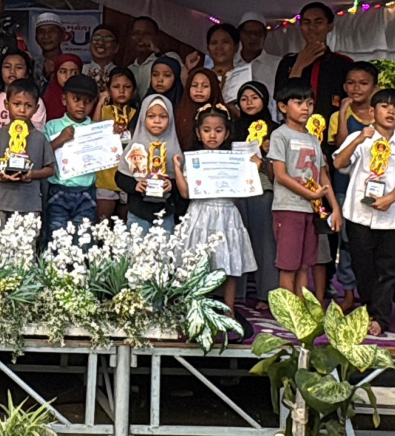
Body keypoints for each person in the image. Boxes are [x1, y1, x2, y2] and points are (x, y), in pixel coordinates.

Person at [333, 88, 395, 336]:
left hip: (389, 218)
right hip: (359, 213)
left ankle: (381, 318)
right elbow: (339, 163)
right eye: (385, 106)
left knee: (388, 269)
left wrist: (391, 197)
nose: (391, 112)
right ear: (372, 111)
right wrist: (358, 140)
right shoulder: (361, 138)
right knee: (363, 267)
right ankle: (368, 309)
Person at [172, 104, 257, 316]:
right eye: (207, 130)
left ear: (227, 133)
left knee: (229, 262)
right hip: (200, 213)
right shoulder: (193, 159)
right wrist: (177, 168)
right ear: (198, 133)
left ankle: (229, 311)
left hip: (227, 213)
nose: (212, 135)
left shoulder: (236, 159)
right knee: (198, 263)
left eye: (218, 130)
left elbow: (246, 187)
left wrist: (253, 167)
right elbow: (185, 193)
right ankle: (196, 307)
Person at [268, 79, 340, 298]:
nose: (306, 108)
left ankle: (301, 308)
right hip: (288, 208)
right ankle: (287, 312)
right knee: (288, 264)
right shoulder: (279, 135)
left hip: (313, 208)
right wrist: (309, 194)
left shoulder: (313, 139)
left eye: (309, 103)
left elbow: (323, 175)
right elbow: (280, 175)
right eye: (299, 103)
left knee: (304, 264)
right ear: (283, 107)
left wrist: (335, 209)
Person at [328, 61, 379, 310]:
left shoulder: (382, 113)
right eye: (350, 82)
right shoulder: (339, 115)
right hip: (344, 185)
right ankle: (348, 292)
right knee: (346, 241)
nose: (355, 87)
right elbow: (339, 148)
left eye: (363, 83)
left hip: (372, 187)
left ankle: (369, 292)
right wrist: (342, 115)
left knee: (369, 241)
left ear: (375, 87)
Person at [231, 81, 280, 309]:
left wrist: (268, 154)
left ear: (264, 100)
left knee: (265, 242)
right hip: (236, 190)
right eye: (244, 98)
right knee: (237, 239)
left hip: (263, 189)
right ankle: (235, 293)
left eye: (254, 97)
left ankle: (266, 294)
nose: (249, 102)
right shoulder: (232, 128)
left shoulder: (276, 130)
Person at [0, 79, 55, 225]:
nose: (22, 110)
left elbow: (50, 169)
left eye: (28, 105)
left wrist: (32, 174)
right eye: (17, 104)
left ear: (36, 108)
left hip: (28, 204)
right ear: (6, 105)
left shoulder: (40, 138)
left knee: (25, 245)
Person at [273, 2, 353, 123]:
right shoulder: (288, 62)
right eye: (306, 22)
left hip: (332, 132)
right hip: (296, 131)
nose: (312, 27)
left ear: (330, 26)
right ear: (300, 26)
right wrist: (298, 66)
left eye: (318, 22)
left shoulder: (343, 64)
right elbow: (281, 99)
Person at [115, 94, 181, 233]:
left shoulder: (174, 149)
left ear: (171, 119)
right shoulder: (135, 147)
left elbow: (182, 180)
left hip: (165, 212)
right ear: (142, 118)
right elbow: (120, 177)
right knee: (137, 252)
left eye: (163, 117)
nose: (157, 121)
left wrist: (172, 185)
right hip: (138, 210)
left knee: (163, 252)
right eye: (151, 116)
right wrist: (136, 185)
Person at [44, 74, 101, 233]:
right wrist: (60, 139)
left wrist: (112, 136)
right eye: (76, 99)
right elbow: (41, 155)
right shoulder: (52, 126)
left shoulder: (96, 129)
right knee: (57, 237)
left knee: (84, 239)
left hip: (86, 190)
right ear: (64, 100)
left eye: (88, 101)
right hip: (58, 190)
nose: (82, 105)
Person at [94, 68, 137, 222]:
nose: (121, 91)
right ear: (108, 89)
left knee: (124, 223)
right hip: (106, 174)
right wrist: (100, 102)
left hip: (128, 173)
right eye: (116, 87)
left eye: (127, 87)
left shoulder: (136, 113)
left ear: (134, 90)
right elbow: (94, 129)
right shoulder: (104, 111)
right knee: (102, 223)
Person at [0, 52, 49, 132]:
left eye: (19, 68)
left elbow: (36, 133)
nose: (12, 71)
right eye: (7, 67)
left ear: (27, 72)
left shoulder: (36, 101)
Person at [175, 68, 225, 151]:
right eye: (194, 85)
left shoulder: (223, 114)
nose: (199, 90)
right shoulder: (180, 115)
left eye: (205, 86)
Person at [205, 23, 252, 103]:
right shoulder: (202, 77)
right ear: (208, 48)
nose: (219, 47)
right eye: (214, 43)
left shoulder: (244, 76)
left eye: (225, 42)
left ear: (236, 47)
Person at [236, 13, 281, 92]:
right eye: (248, 33)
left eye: (257, 33)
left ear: (265, 35)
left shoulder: (277, 65)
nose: (253, 37)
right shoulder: (231, 63)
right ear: (240, 34)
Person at [42, 54, 84, 121]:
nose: (68, 76)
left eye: (74, 72)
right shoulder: (47, 99)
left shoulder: (87, 98)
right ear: (56, 74)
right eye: (63, 72)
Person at [32, 12, 67, 89]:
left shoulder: (70, 64)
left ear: (62, 35)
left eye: (51, 31)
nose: (46, 36)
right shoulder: (31, 65)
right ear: (36, 38)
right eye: (41, 32)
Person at [84, 24, 121, 93]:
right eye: (96, 38)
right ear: (90, 44)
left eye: (107, 39)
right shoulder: (80, 71)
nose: (101, 42)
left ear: (116, 48)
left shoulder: (121, 74)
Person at [127, 16, 161, 92]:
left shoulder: (168, 59)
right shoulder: (129, 70)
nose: (140, 37)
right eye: (136, 33)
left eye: (146, 34)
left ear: (156, 37)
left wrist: (156, 51)